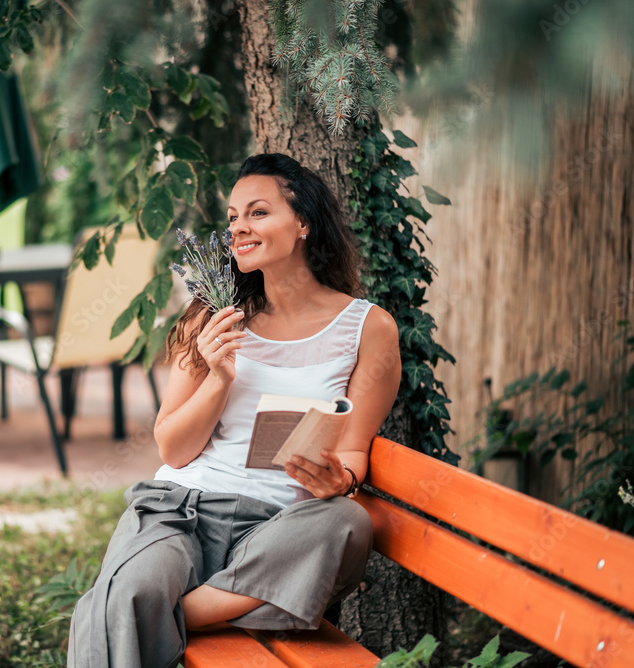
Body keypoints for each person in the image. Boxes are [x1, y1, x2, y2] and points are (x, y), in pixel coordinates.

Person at [67, 153, 402, 668]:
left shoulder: (368, 328)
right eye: (232, 217)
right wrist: (219, 375)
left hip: (278, 529)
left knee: (347, 524)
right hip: (180, 511)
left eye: (258, 213)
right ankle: (149, 602)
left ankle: (151, 612)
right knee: (137, 582)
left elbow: (354, 449)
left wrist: (340, 478)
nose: (239, 228)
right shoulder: (212, 314)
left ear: (305, 223)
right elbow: (174, 450)